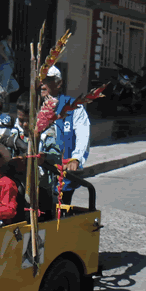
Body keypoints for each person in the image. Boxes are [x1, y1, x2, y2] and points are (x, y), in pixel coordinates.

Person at [39, 66, 90, 205]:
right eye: (40, 80)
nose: (41, 84)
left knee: (60, 210)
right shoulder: (31, 105)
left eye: (47, 80)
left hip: (62, 171)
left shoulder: (74, 106)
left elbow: (83, 134)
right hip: (37, 170)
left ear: (58, 83)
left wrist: (76, 158)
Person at [14, 92, 62, 217]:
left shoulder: (48, 133)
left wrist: (45, 157)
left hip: (42, 186)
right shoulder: (15, 132)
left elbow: (56, 155)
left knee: (43, 215)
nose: (24, 125)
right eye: (21, 120)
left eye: (28, 121)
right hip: (20, 183)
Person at [0, 28, 19, 95]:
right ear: (7, 36)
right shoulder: (3, 42)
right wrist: (5, 57)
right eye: (10, 35)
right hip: (4, 69)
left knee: (15, 86)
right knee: (4, 88)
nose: (11, 37)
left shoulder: (7, 44)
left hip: (9, 70)